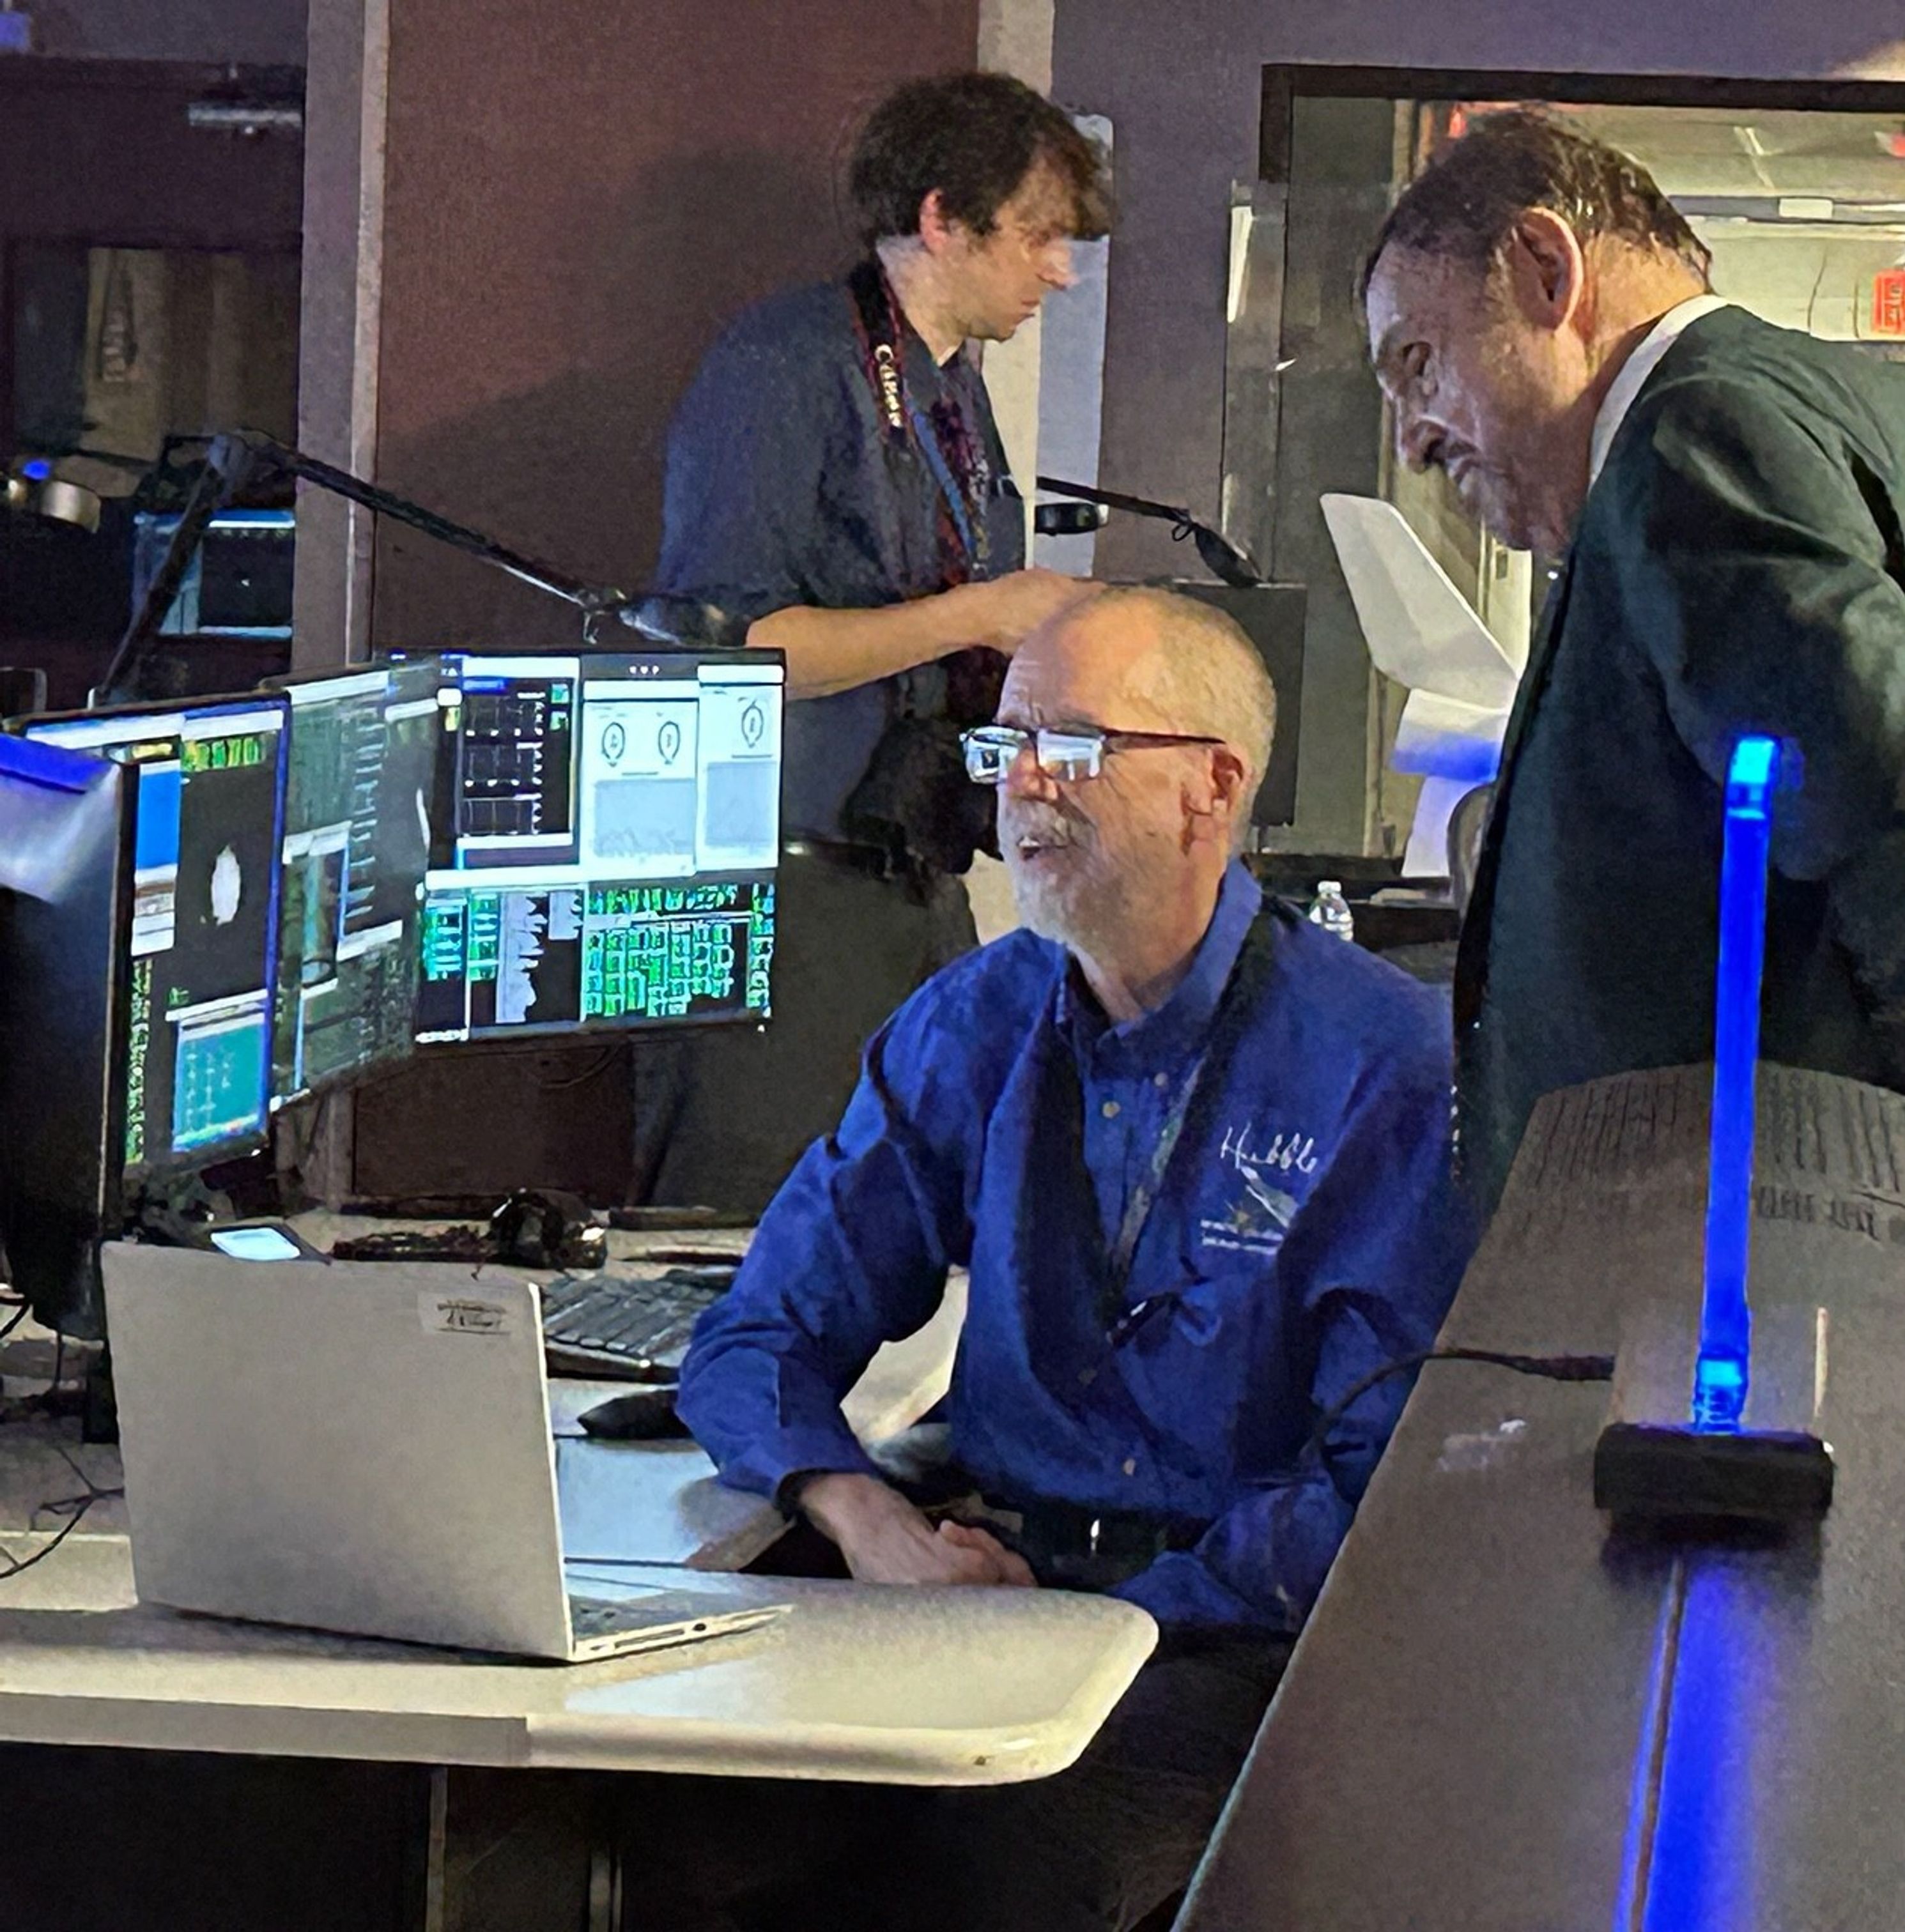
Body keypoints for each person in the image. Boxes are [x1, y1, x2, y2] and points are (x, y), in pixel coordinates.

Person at [675, 586, 1473, 1930]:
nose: (1022, 787)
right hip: (970, 1591)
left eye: (1074, 747)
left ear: (1212, 787)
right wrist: (864, 1521)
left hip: (1217, 1634)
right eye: (1005, 748)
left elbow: (1369, 1498)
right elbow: (755, 1337)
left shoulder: (1382, 1070)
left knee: (992, 1858)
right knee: (680, 1790)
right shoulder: (973, 1025)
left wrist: (1076, 1615)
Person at [1362, 109, 1905, 1215]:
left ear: (1543, 266)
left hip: (1722, 1247)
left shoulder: (1694, 429)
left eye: (1417, 365)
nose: (1413, 437)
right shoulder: (1811, 397)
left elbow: (1882, 784)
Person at [631, 72, 1109, 1214]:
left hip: (905, 878)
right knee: (737, 1255)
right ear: (942, 218)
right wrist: (981, 617)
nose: (1062, 270)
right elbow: (738, 653)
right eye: (1041, 237)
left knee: (915, 1245)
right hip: (774, 903)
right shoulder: (786, 363)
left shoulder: (953, 394)